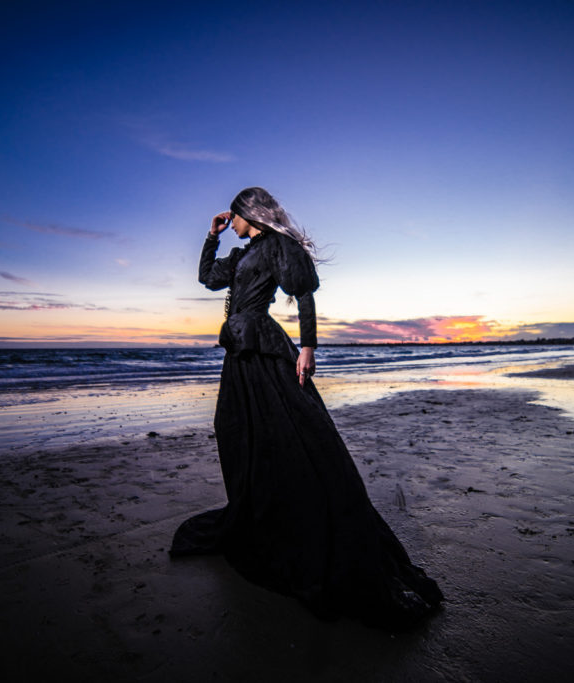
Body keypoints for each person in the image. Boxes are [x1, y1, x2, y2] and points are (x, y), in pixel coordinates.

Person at [170, 187, 443, 629]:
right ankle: (258, 509)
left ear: (248, 212)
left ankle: (308, 518)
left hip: (263, 348)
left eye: (232, 216)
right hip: (238, 352)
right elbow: (207, 279)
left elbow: (304, 293)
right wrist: (211, 236)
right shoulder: (241, 254)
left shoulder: (279, 245)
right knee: (235, 429)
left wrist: (309, 347)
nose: (230, 221)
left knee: (290, 430)